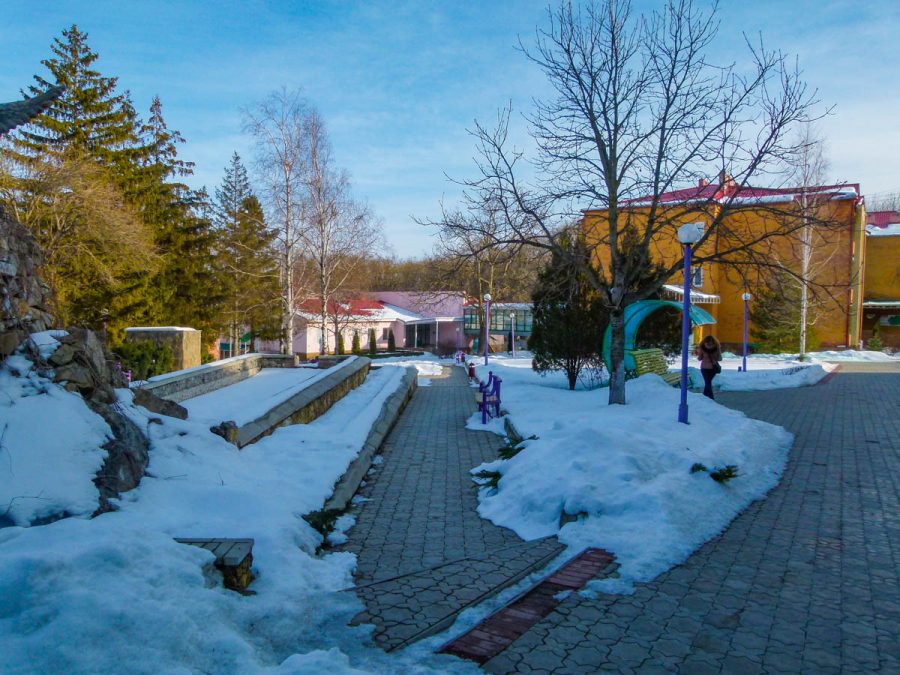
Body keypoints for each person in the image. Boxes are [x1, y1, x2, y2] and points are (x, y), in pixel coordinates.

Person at [695, 334, 722, 399]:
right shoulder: (716, 347)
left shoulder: (702, 347)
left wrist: (699, 353)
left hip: (704, 368)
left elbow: (699, 358)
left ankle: (711, 398)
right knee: (708, 382)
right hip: (713, 368)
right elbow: (719, 358)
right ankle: (705, 397)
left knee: (708, 383)